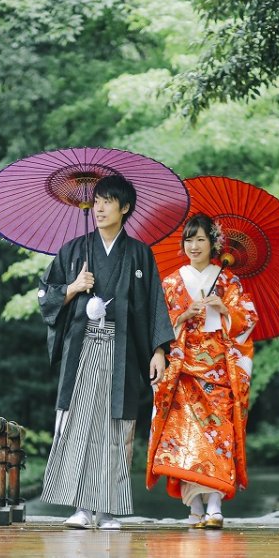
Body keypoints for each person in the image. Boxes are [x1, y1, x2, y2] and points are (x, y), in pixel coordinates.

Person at [36, 174, 175, 530]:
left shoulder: (140, 253)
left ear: (124, 208)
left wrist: (159, 350)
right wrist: (73, 287)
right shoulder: (73, 250)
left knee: (117, 426)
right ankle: (82, 507)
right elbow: (46, 295)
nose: (99, 208)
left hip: (122, 349)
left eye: (107, 202)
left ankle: (109, 509)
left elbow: (154, 305)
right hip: (82, 347)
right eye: (96, 201)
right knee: (79, 422)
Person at [145, 213, 258, 529]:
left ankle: (215, 506)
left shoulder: (228, 281)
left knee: (218, 435)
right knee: (183, 436)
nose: (193, 246)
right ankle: (195, 506)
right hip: (181, 368)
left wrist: (225, 310)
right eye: (189, 239)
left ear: (213, 244)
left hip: (218, 367)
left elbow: (248, 320)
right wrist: (183, 316)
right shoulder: (171, 282)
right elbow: (155, 325)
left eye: (200, 239)